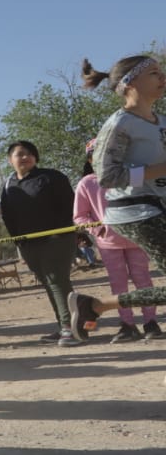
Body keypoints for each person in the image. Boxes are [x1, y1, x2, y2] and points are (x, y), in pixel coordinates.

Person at [68, 56, 166, 340]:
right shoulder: (119, 124)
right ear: (128, 84)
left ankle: (95, 306)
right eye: (153, 73)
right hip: (136, 212)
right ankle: (96, 306)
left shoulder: (161, 121)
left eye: (161, 71)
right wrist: (157, 170)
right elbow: (107, 177)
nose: (162, 77)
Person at [72, 137, 159, 341]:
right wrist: (98, 230)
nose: (103, 159)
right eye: (97, 155)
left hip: (136, 238)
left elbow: (148, 196)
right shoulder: (86, 183)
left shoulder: (131, 176)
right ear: (90, 160)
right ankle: (128, 324)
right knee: (118, 284)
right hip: (109, 243)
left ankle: (150, 322)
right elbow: (79, 216)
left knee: (143, 280)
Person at [0, 140, 79, 345]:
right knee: (47, 283)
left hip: (57, 239)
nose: (24, 157)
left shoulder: (51, 177)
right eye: (19, 154)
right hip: (28, 244)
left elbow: (70, 205)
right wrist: (18, 241)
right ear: (10, 160)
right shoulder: (9, 185)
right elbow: (7, 215)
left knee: (57, 281)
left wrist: (60, 233)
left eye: (29, 153)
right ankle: (63, 325)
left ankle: (69, 329)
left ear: (35, 157)